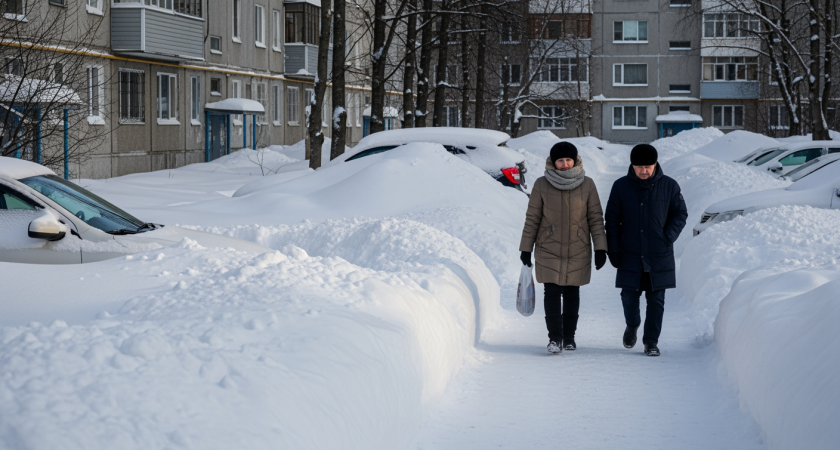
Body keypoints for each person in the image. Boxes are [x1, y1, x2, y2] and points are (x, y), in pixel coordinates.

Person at [519, 142, 608, 354]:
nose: (565, 164)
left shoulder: (587, 184)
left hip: (578, 246)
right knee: (551, 292)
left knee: (571, 293)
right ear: (553, 162)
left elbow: (595, 218)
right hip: (548, 246)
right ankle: (555, 339)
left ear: (575, 160)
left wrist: (600, 248)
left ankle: (569, 337)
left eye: (568, 159)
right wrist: (526, 248)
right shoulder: (541, 184)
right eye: (560, 160)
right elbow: (532, 218)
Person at [604, 144, 687, 357]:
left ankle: (651, 342)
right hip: (629, 252)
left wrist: (667, 236)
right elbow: (611, 220)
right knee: (628, 296)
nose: (644, 171)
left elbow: (680, 214)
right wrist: (613, 249)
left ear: (656, 164)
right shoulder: (621, 186)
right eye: (639, 166)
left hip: (659, 253)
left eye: (648, 166)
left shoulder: (670, 186)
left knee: (656, 300)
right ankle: (632, 325)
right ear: (632, 166)